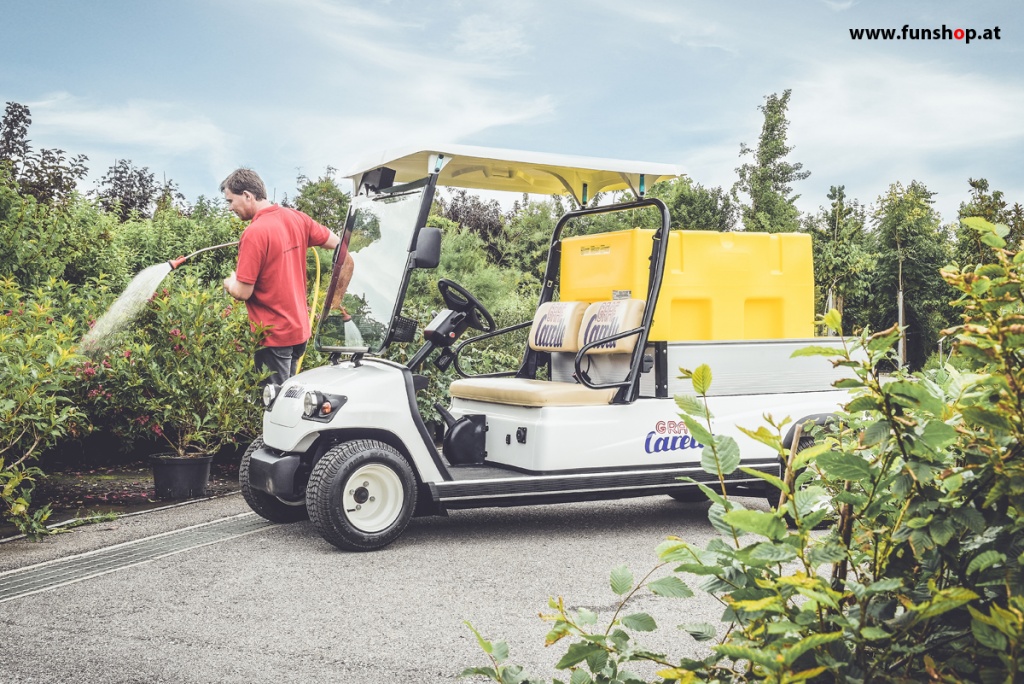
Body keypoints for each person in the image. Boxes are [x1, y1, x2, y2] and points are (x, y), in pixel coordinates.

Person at [220, 167, 347, 385]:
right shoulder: (297, 218)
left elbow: (243, 292)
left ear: (248, 196)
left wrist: (230, 282)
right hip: (299, 332)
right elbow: (338, 244)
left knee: (275, 408)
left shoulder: (254, 233)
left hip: (273, 337)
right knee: (291, 402)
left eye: (231, 201)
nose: (231, 207)